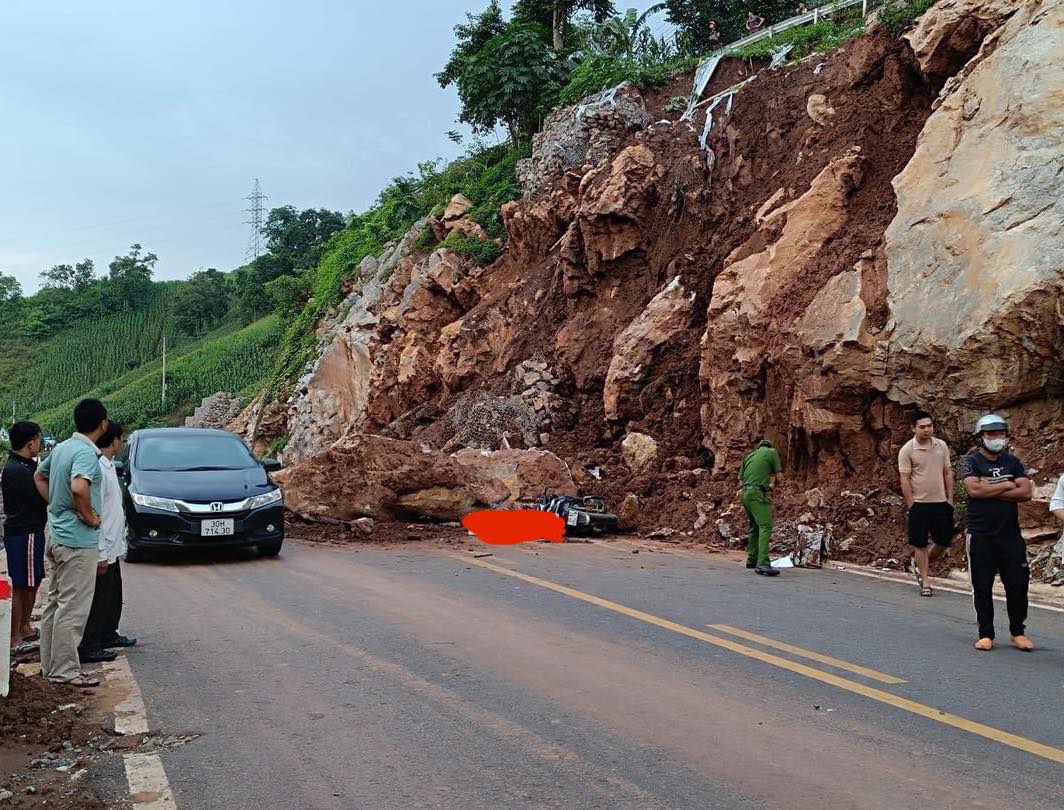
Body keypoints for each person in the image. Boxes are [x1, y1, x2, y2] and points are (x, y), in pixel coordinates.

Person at [34, 398, 109, 686]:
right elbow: (80, 487)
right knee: (73, 607)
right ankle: (65, 670)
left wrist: (57, 505)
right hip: (76, 539)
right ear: (102, 424)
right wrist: (89, 516)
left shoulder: (62, 447)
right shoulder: (86, 454)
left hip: (55, 532)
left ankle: (50, 666)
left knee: (56, 602)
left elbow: (39, 476)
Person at [960, 414, 1034, 652]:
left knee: (1018, 584)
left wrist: (989, 487)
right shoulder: (971, 462)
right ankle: (985, 633)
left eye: (1000, 434)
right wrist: (1005, 484)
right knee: (982, 585)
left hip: (1010, 535)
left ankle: (1017, 631)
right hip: (980, 534)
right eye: (991, 434)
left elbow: (1025, 492)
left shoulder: (1013, 462)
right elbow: (974, 490)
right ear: (982, 436)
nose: (996, 438)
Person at [79, 422, 136, 662]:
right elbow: (95, 510)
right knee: (99, 598)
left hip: (113, 543)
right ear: (113, 440)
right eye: (120, 438)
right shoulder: (98, 469)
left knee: (112, 593)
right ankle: (90, 643)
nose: (121, 443)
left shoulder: (110, 466)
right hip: (103, 544)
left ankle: (108, 632)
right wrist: (100, 549)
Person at [2, 421, 49, 654]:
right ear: (30, 443)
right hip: (25, 533)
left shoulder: (24, 465)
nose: (40, 444)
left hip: (29, 532)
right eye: (39, 440)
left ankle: (25, 626)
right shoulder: (17, 470)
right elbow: (41, 497)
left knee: (33, 580)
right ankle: (15, 634)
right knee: (23, 585)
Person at [898, 409, 954, 597]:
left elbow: (947, 472)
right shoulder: (907, 450)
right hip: (919, 504)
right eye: (922, 427)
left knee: (943, 541)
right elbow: (904, 479)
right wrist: (911, 504)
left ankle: (920, 564)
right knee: (920, 544)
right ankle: (925, 580)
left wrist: (950, 498)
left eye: (929, 426)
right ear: (913, 428)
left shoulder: (942, 446)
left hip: (940, 502)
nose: (927, 430)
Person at [739, 439, 782, 576]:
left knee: (754, 526)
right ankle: (763, 563)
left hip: (745, 494)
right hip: (757, 494)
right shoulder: (771, 452)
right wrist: (773, 486)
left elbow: (740, 480)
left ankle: (752, 559)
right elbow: (779, 477)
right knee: (765, 526)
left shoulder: (749, 456)